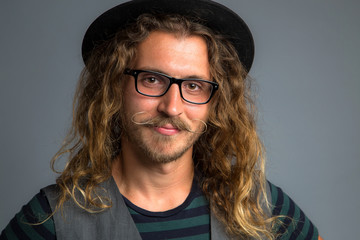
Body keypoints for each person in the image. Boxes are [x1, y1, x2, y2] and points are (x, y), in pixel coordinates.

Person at [0, 0, 323, 239]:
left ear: (216, 103)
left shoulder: (259, 204)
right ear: (114, 86)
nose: (172, 107)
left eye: (194, 86)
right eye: (152, 80)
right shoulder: (53, 218)